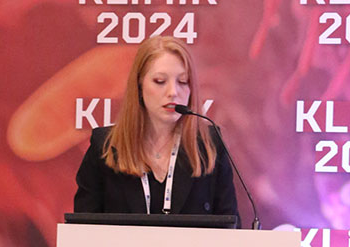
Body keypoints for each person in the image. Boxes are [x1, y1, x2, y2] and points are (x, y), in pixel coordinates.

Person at [73, 36, 238, 219]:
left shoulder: (209, 145)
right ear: (139, 86)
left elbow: (230, 227)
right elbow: (82, 228)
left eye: (183, 81)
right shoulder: (105, 145)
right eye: (160, 81)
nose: (173, 92)